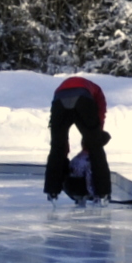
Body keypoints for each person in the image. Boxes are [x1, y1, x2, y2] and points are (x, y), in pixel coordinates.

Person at [44, 75, 111, 203]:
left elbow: (60, 139)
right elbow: (99, 117)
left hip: (59, 98)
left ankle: (52, 190)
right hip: (82, 98)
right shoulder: (98, 93)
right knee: (96, 147)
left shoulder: (67, 86)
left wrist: (64, 150)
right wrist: (92, 142)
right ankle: (103, 192)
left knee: (57, 146)